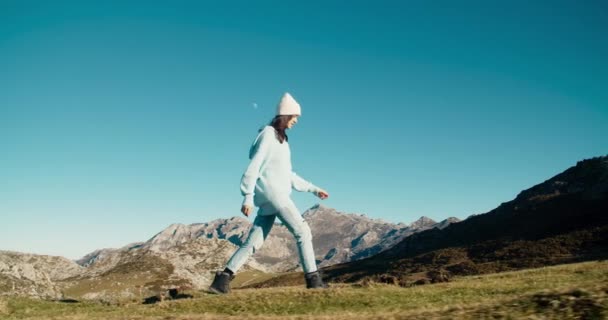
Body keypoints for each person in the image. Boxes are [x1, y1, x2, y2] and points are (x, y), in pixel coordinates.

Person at [208, 92, 330, 294]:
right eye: (295, 117)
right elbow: (254, 165)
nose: (296, 121)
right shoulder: (267, 134)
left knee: (253, 242)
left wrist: (314, 189)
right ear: (285, 115)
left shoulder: (282, 141)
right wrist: (247, 196)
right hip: (276, 196)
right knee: (303, 232)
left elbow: (287, 174)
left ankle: (222, 280)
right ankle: (313, 280)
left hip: (268, 199)